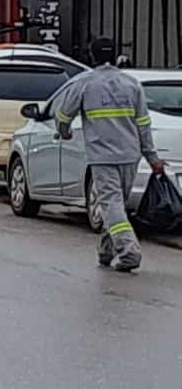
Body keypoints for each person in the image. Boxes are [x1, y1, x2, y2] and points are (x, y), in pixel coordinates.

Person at [57, 37, 167, 273]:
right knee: (116, 205)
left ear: (92, 56)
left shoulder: (84, 83)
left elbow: (64, 115)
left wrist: (63, 133)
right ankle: (106, 252)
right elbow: (144, 124)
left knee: (111, 205)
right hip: (130, 155)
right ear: (115, 56)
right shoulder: (131, 84)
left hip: (102, 156)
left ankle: (129, 251)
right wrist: (152, 158)